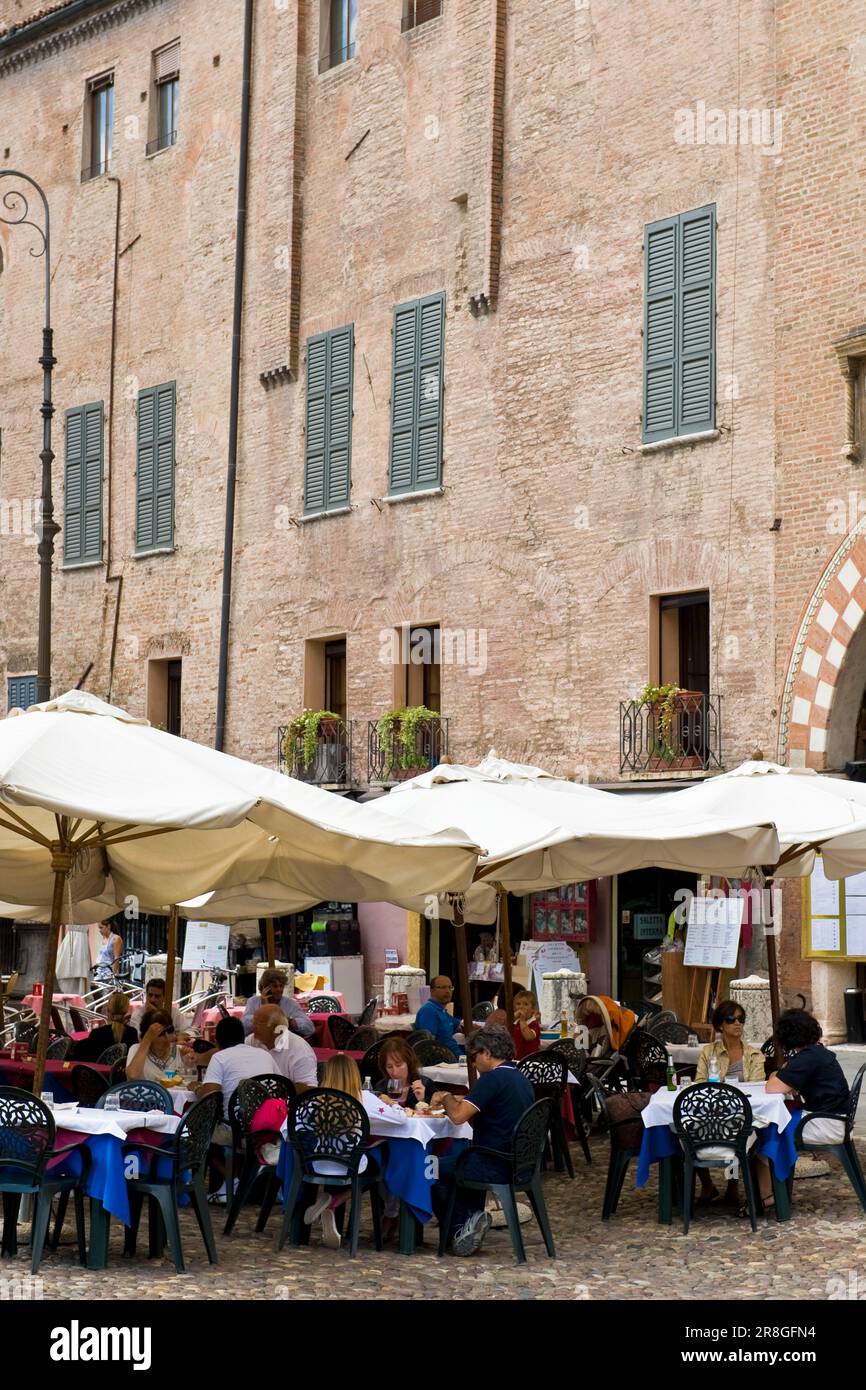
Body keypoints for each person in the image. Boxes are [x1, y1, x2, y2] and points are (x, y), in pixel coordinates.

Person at [430, 1024, 534, 1256]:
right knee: (463, 1160)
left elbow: (457, 1117)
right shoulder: (519, 1077)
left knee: (430, 1167)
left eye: (474, 1055)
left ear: (487, 1052)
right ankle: (471, 1218)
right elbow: (488, 1121)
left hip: (491, 1164)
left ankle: (459, 1229)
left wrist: (445, 1096)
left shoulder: (491, 1079)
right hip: (519, 1164)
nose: (473, 1062)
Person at [693, 1000, 765, 1205]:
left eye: (741, 1019)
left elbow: (758, 1086)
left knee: (739, 1130)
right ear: (720, 1025)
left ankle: (732, 1185)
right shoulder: (709, 1052)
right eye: (731, 1019)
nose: (737, 1024)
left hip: (742, 1110)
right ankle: (707, 1184)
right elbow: (700, 1082)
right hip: (711, 1109)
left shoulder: (754, 1054)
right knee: (686, 1128)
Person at [301, 1053, 370, 1250]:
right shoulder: (365, 1099)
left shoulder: (313, 1100)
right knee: (378, 1167)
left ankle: (329, 1200)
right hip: (350, 1166)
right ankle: (333, 1201)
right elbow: (398, 1120)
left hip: (318, 1164)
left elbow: (289, 1128)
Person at [245, 1004, 317, 1091]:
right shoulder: (252, 1041)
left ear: (275, 1028)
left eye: (258, 1024)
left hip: (288, 1102)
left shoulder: (299, 1049)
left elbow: (309, 1089)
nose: (253, 1027)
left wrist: (278, 1087)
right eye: (253, 1022)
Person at [242, 969, 315, 1039]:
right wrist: (265, 1008)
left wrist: (289, 1021)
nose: (279, 989)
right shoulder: (253, 1002)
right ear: (265, 988)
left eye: (281, 986)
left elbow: (310, 1028)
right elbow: (244, 1027)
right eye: (275, 986)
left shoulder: (290, 1003)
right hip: (258, 1044)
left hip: (284, 1044)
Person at [71, 991, 138, 1062]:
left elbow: (79, 1055)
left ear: (108, 1010)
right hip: (120, 1073)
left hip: (97, 1073)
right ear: (126, 1011)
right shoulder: (132, 1033)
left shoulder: (97, 1034)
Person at [374, 1037, 437, 1108]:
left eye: (399, 1065)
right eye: (389, 1067)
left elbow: (439, 1114)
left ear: (409, 1063)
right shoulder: (380, 1087)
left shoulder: (426, 1084)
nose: (395, 1072)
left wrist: (422, 1100)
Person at [126, 1009, 182, 1084]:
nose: (166, 1037)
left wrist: (189, 1063)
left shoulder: (180, 1051)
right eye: (161, 1033)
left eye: (169, 1031)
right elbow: (132, 1076)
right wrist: (147, 1040)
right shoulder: (136, 1049)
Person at [415, 976, 465, 1057]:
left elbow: (457, 1023)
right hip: (446, 1061)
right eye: (443, 987)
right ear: (432, 991)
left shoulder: (441, 1010)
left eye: (450, 987)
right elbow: (428, 1046)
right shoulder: (429, 1011)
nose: (448, 991)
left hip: (456, 1056)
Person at [510, 991, 541, 1061]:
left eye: (526, 1004)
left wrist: (522, 1020)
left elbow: (528, 1037)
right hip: (516, 1059)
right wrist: (512, 1018)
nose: (521, 1007)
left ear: (532, 1009)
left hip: (530, 1061)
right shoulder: (515, 1023)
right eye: (518, 1004)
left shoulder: (534, 1024)